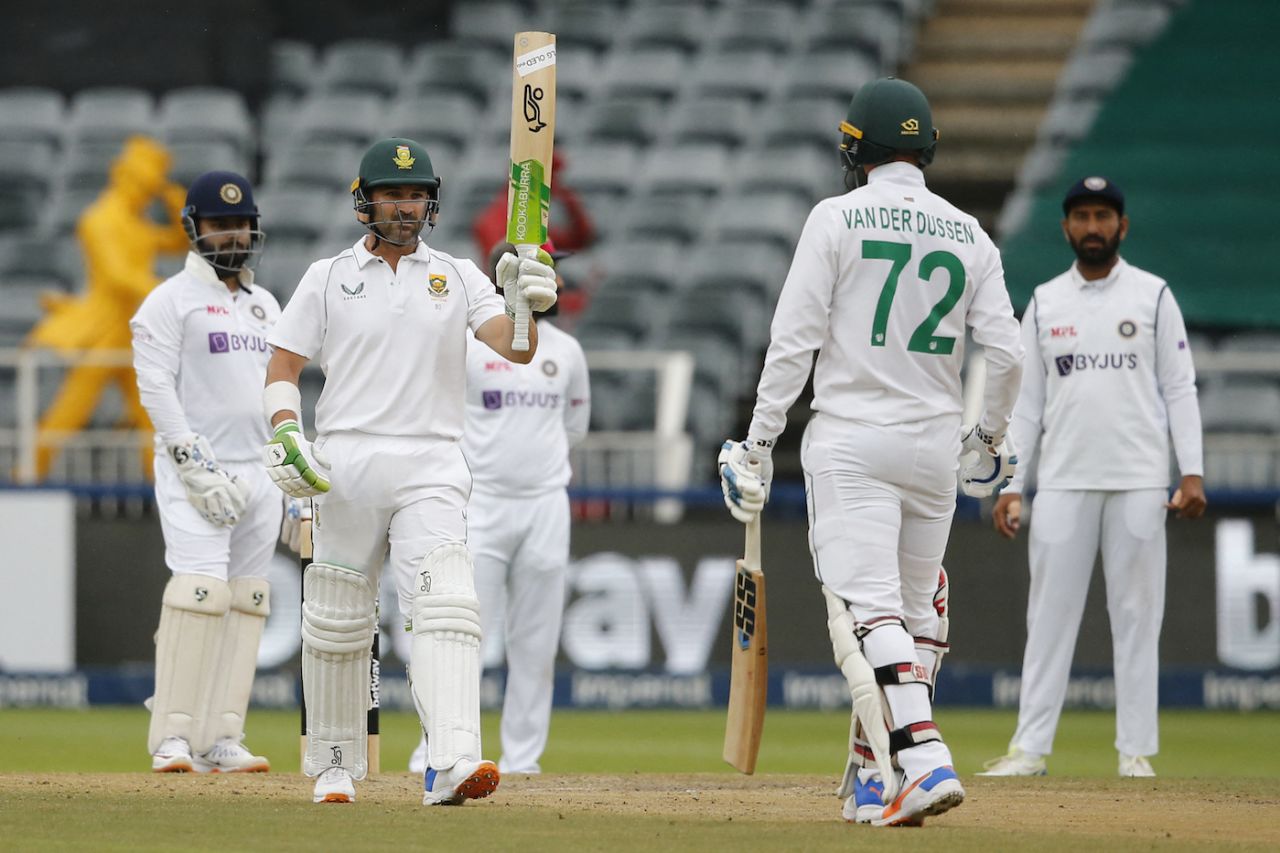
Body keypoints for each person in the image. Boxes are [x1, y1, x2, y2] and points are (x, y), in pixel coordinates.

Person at [718, 77, 1023, 827]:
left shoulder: (835, 217)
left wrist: (757, 444)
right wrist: (987, 438)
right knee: (915, 616)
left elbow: (794, 343)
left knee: (871, 611)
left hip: (854, 437)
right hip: (933, 446)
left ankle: (920, 758)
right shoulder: (968, 232)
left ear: (856, 148)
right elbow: (1010, 354)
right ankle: (870, 770)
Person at [260, 137, 559, 806]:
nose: (407, 206)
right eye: (394, 194)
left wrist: (525, 300)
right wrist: (285, 430)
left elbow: (514, 348)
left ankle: (451, 759)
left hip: (432, 457)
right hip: (346, 458)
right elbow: (283, 365)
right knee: (338, 615)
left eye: (418, 194)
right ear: (364, 200)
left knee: (447, 603)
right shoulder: (328, 274)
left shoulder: (456, 273)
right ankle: (334, 762)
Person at [977, 177, 1206, 779]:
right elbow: (1025, 404)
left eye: (1103, 215)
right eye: (1081, 216)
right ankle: (1030, 750)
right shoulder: (1047, 301)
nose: (1093, 226)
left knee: (1136, 616)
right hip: (1061, 482)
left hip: (1136, 478)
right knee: (1048, 617)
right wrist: (1010, 483)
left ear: (1122, 226)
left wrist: (1192, 472)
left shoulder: (1153, 296)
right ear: (1066, 228)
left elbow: (1180, 386)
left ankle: (1136, 752)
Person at [131, 170, 299, 773]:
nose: (231, 235)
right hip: (195, 471)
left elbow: (275, 388)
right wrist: (192, 463)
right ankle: (173, 737)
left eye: (240, 224)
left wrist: (289, 470)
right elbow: (154, 388)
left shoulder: (265, 305)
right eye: (219, 224)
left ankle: (222, 736)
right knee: (199, 593)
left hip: (257, 472)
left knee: (248, 599)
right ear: (193, 228)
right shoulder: (168, 300)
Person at [409, 239, 590, 777]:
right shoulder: (471, 346)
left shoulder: (565, 353)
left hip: (544, 505)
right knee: (459, 634)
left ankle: (523, 758)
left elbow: (573, 430)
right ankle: (437, 749)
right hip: (478, 503)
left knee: (535, 643)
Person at [28, 136, 188, 478]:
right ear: (123, 176)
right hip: (105, 330)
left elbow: (178, 244)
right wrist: (168, 294)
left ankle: (160, 485)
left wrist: (177, 209)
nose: (144, 195)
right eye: (141, 186)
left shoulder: (137, 224)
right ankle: (29, 472)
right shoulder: (98, 220)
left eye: (149, 189)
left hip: (135, 333)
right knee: (71, 410)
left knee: (151, 413)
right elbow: (118, 276)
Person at [471, 151, 596, 257]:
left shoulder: (531, 218)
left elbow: (580, 241)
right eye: (551, 178)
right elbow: (504, 260)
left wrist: (568, 200)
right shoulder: (497, 218)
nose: (555, 184)